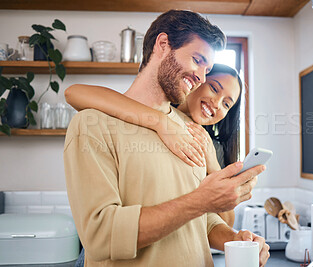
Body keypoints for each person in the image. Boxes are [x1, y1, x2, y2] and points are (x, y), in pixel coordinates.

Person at [64, 10, 269, 267]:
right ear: (163, 45)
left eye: (207, 70)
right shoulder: (93, 125)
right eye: (197, 60)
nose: (201, 78)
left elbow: (203, 222)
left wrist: (236, 238)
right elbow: (100, 236)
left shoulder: (194, 133)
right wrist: (199, 202)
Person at [65, 63, 241, 227]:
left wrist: (212, 164)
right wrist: (161, 122)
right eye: (214, 88)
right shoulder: (145, 112)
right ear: (197, 81)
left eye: (226, 104)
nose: (217, 104)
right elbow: (74, 92)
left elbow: (226, 222)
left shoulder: (213, 148)